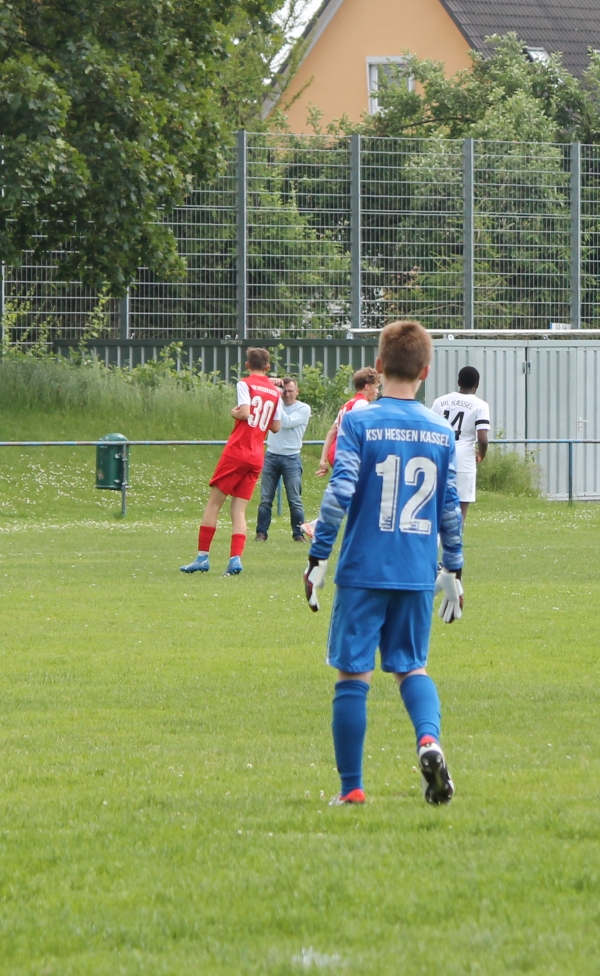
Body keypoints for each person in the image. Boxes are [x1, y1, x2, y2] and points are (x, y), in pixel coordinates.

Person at [305, 320, 463, 807]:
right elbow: (449, 507)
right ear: (425, 370)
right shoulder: (441, 431)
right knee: (412, 668)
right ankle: (428, 741)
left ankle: (352, 789)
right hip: (416, 572)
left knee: (353, 676)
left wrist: (318, 555)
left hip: (363, 570)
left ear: (378, 366)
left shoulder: (359, 421)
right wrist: (453, 568)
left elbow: (340, 491)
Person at [180, 348, 282, 575]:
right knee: (239, 510)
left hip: (238, 451)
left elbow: (244, 412)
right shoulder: (275, 392)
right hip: (257, 454)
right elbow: (276, 426)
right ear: (268, 367)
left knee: (214, 504)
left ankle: (202, 557)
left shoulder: (245, 384)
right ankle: (235, 558)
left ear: (247, 365)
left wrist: (233, 413)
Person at [430, 366, 492, 523]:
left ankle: (434, 537)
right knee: (460, 510)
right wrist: (481, 454)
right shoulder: (480, 405)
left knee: (436, 507)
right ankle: (454, 539)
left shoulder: (440, 402)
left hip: (440, 456)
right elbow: (482, 438)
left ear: (458, 381)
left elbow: (430, 428)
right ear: (477, 384)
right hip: (464, 460)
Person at [255, 377, 312, 542]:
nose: (286, 394)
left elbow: (285, 422)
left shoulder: (303, 408)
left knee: (294, 499)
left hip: (291, 457)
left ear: (297, 392)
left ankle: (298, 534)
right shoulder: (274, 405)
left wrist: (275, 399)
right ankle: (261, 533)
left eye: (290, 391)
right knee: (266, 499)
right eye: (283, 391)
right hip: (271, 455)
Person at [316, 367, 380, 477]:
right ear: (367, 387)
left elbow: (332, 432)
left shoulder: (348, 403)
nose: (377, 391)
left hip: (335, 451)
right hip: (347, 452)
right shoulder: (362, 404)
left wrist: (323, 460)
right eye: (376, 387)